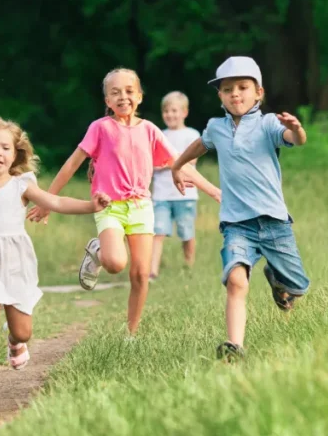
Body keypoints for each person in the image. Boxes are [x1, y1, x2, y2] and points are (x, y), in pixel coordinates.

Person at [28, 68, 220, 336]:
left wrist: (216, 192)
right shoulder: (100, 128)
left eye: (129, 91)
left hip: (141, 206)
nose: (123, 97)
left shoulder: (150, 130)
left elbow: (181, 164)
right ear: (107, 100)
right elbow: (72, 164)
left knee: (141, 275)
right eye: (115, 93)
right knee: (116, 264)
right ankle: (99, 251)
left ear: (139, 97)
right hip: (110, 207)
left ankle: (131, 333)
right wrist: (47, 200)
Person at [0, 118, 109, 412]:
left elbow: (56, 202)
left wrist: (90, 205)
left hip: (15, 261)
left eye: (5, 148)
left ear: (15, 154)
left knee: (23, 330)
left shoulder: (22, 184)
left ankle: (16, 343)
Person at [170, 56, 311, 360]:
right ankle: (235, 347)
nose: (235, 93)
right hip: (237, 224)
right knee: (236, 281)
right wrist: (178, 165)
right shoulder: (216, 128)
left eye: (243, 87)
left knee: (297, 287)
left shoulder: (268, 123)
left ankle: (278, 281)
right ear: (220, 96)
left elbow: (295, 140)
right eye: (228, 89)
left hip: (274, 223)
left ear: (258, 92)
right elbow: (201, 145)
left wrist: (296, 129)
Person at [151, 91, 202, 278]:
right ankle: (152, 271)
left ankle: (189, 266)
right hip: (161, 195)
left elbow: (192, 162)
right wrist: (173, 162)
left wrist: (168, 163)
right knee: (158, 231)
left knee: (186, 232)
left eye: (174, 110)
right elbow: (153, 164)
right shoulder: (158, 135)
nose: (169, 115)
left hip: (185, 194)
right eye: (166, 111)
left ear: (184, 112)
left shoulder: (192, 135)